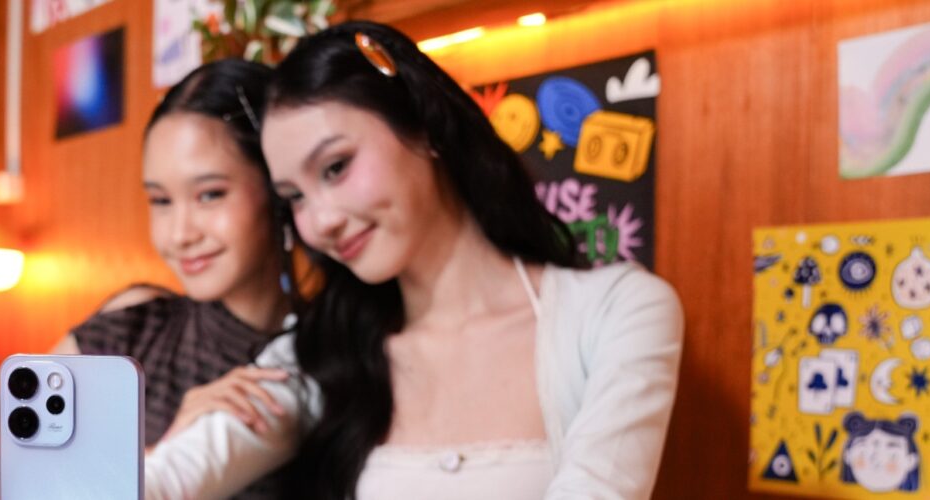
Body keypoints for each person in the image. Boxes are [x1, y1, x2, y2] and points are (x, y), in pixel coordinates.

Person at [143, 21, 684, 499]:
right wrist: (155, 454)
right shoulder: (320, 352)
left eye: (335, 167)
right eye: (295, 197)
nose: (321, 220)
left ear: (424, 128)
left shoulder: (616, 312)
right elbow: (165, 480)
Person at [0, 59, 296, 500]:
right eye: (161, 201)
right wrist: (159, 458)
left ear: (278, 189)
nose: (180, 234)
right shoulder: (134, 325)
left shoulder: (319, 357)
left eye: (210, 195)